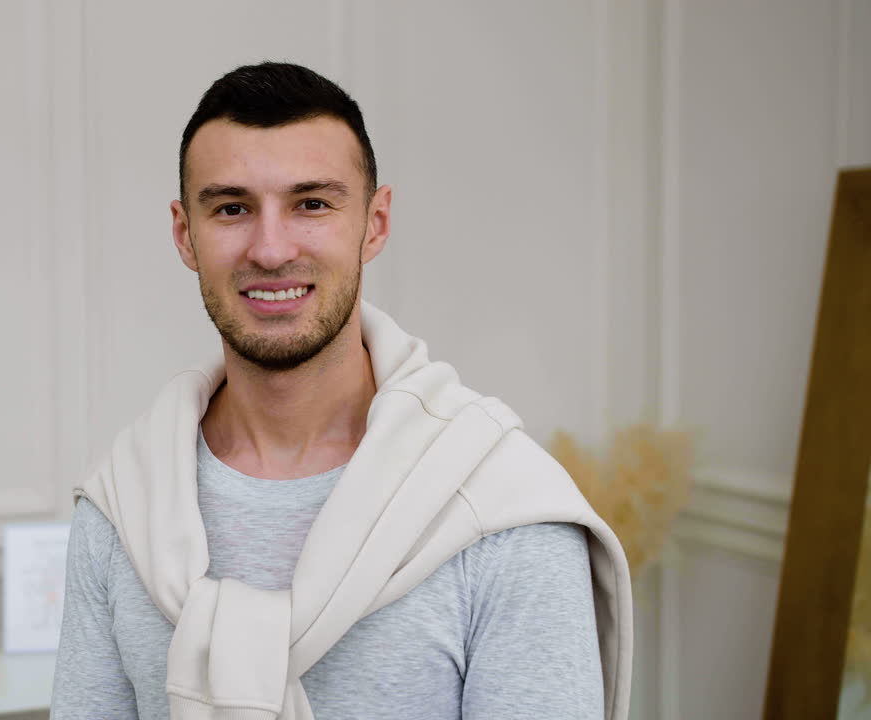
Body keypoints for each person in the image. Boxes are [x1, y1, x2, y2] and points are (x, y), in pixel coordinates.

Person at [51, 62, 632, 720]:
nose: (271, 250)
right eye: (233, 208)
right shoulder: (120, 510)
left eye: (312, 204)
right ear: (186, 234)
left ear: (375, 223)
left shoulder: (505, 511)